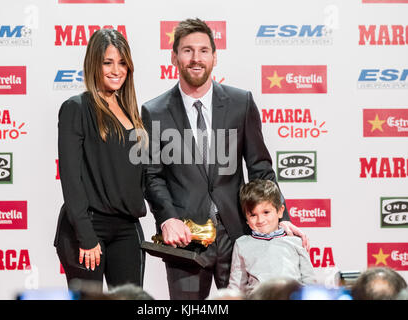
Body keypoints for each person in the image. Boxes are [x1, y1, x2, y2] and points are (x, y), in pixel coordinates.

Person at [141, 18, 307, 300]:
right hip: (186, 240)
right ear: (174, 56)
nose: (196, 58)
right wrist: (167, 217)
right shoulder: (154, 111)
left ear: (215, 57)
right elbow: (151, 175)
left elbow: (260, 168)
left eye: (204, 50)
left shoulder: (240, 103)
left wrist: (282, 217)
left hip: (240, 235)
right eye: (188, 50)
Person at [54, 29, 147, 292]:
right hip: (88, 227)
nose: (116, 70)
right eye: (108, 62)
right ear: (94, 64)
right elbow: (71, 178)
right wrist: (85, 235)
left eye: (122, 63)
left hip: (127, 229)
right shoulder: (77, 108)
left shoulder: (133, 113)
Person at [228, 180, 316, 295]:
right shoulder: (242, 244)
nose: (260, 220)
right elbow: (236, 286)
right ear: (246, 218)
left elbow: (310, 282)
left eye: (266, 212)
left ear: (280, 212)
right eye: (253, 215)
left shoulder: (296, 242)